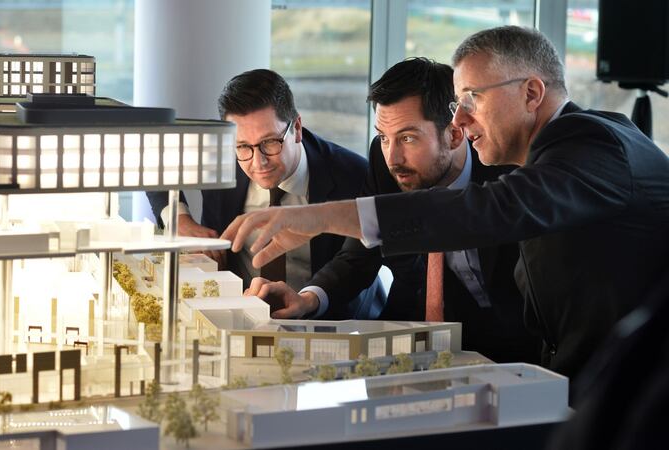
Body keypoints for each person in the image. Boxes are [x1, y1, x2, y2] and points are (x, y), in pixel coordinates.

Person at [223, 26, 669, 382]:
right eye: (457, 103)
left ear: (532, 93)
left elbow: (486, 211)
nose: (459, 119)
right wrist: (310, 297)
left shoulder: (592, 141)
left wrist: (319, 216)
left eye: (472, 99)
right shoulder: (553, 153)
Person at [245, 57, 539, 363]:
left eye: (408, 138)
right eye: (384, 137)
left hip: (515, 346)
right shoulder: (387, 163)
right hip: (419, 339)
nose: (392, 157)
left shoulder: (506, 170)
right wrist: (308, 298)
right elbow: (360, 253)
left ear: (454, 134)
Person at [147, 69, 379, 298]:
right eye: (243, 146)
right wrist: (179, 219)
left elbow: (357, 262)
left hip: (326, 316)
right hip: (236, 309)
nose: (259, 162)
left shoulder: (354, 174)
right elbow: (150, 160)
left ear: (296, 128)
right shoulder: (218, 153)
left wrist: (311, 299)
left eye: (270, 142)